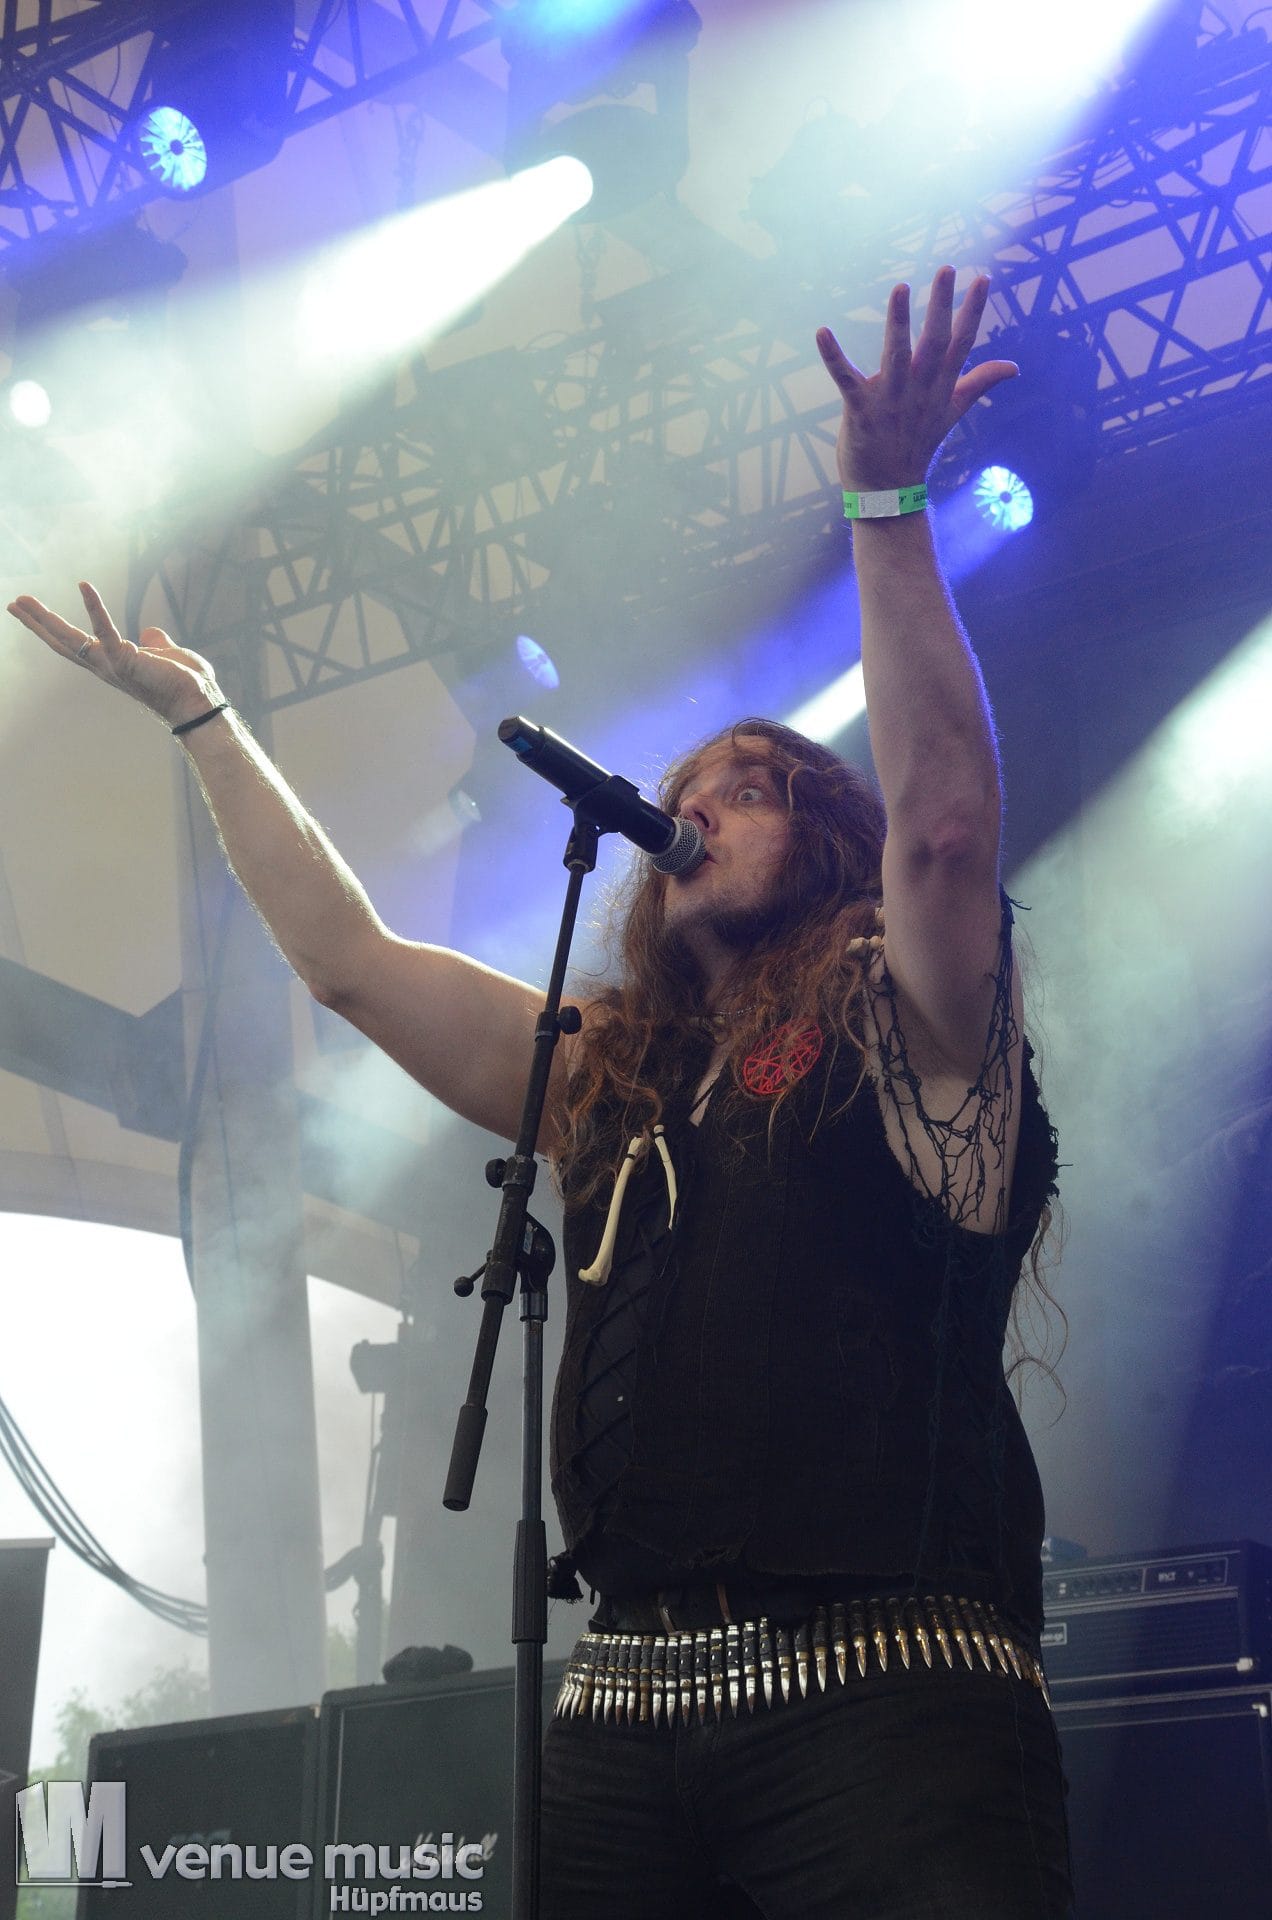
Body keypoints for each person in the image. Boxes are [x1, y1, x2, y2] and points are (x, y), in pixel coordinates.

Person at [8, 266, 1072, 1918]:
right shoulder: (614, 1078)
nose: (703, 805)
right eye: (692, 785)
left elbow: (943, 828)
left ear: (826, 839)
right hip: (622, 1721)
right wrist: (206, 721)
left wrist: (884, 505)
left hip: (885, 1702)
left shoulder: (906, 1012)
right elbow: (351, 963)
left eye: (753, 787)